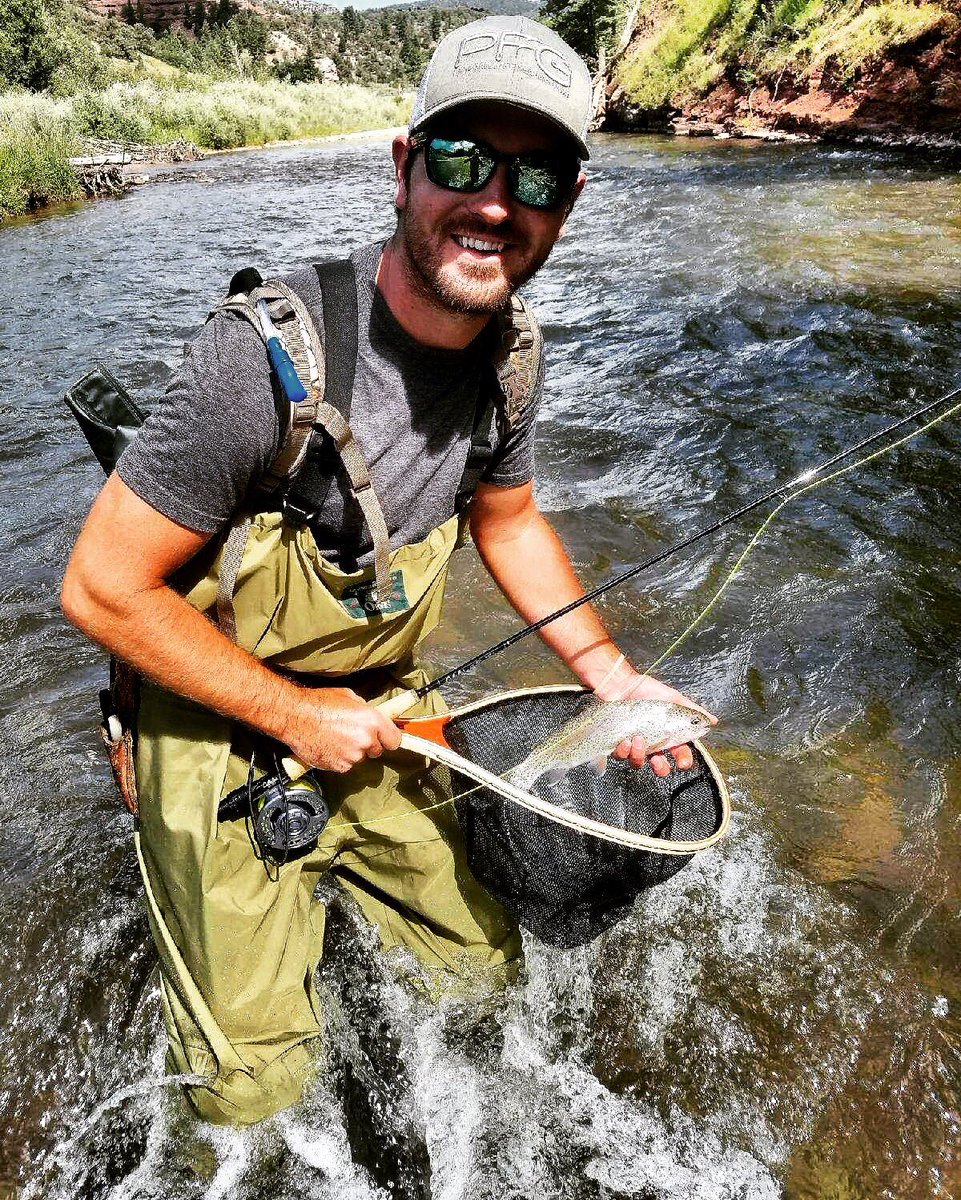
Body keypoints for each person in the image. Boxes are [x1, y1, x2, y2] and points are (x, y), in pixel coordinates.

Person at [61, 15, 714, 1126]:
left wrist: (605, 672)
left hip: (386, 717)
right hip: (212, 723)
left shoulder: (511, 360)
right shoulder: (260, 362)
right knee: (253, 1096)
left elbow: (507, 523)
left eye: (535, 175)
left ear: (569, 202)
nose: (495, 203)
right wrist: (293, 714)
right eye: (463, 160)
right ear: (405, 166)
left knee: (479, 982)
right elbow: (99, 589)